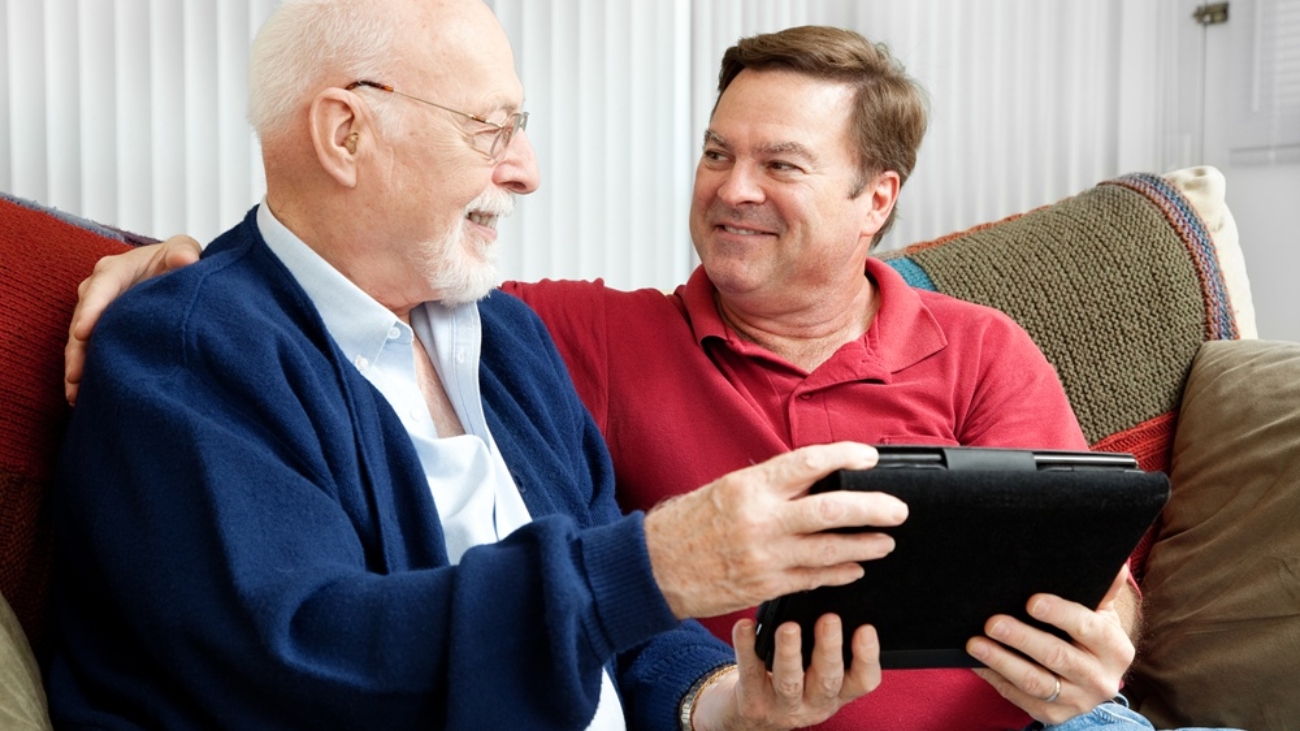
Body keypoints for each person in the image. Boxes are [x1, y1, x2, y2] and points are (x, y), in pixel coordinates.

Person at [62, 21, 1238, 731]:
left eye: (779, 162)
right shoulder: (573, 335)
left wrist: (730, 701)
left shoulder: (499, 338)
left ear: (876, 200)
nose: (525, 168)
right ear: (346, 132)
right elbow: (304, 636)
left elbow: (1090, 565)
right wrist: (160, 265)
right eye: (491, 127)